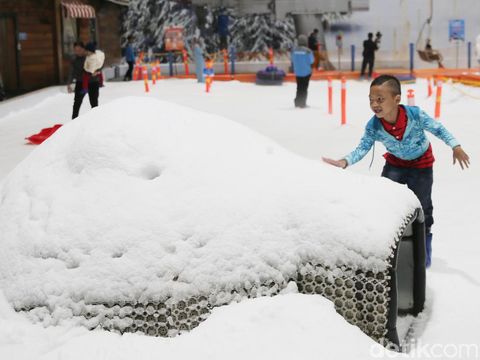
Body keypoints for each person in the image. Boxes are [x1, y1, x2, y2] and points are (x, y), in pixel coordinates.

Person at [322, 75, 470, 268]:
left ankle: (423, 251)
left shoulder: (415, 115)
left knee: (423, 206)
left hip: (421, 164)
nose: (374, 104)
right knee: (386, 203)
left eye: (380, 99)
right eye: (371, 100)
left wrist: (455, 146)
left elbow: (438, 129)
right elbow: (362, 147)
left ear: (397, 99)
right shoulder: (373, 125)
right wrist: (344, 161)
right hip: (395, 165)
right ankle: (389, 247)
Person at [80, 42, 105, 113]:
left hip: (93, 81)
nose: (86, 52)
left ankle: (95, 114)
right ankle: (94, 113)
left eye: (87, 51)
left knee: (94, 100)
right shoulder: (91, 56)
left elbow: (91, 69)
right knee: (93, 100)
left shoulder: (93, 58)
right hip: (93, 80)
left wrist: (92, 72)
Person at [292, 34, 314, 108]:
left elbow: (292, 59)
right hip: (306, 72)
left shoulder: (294, 50)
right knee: (304, 88)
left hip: (297, 72)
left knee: (299, 87)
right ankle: (302, 103)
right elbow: (311, 61)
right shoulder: (308, 51)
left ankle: (297, 102)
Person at [67, 41, 87, 119]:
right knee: (77, 102)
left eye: (79, 50)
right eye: (75, 50)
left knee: (94, 103)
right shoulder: (74, 59)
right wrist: (69, 83)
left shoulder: (89, 57)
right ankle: (73, 121)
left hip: (91, 82)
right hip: (80, 82)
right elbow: (71, 72)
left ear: (83, 49)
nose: (77, 52)